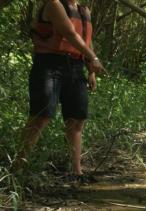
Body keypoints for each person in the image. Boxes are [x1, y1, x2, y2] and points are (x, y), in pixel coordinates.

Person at [14, 0, 105, 182]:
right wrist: (93, 57)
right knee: (41, 116)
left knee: (77, 119)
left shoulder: (83, 10)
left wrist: (90, 70)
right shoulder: (54, 4)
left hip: (76, 66)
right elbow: (69, 33)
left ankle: (77, 171)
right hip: (49, 65)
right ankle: (17, 168)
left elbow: (86, 39)